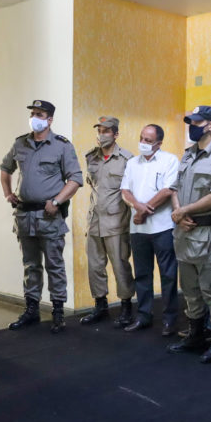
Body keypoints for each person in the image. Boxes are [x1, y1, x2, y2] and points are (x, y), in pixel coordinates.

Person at [0, 100, 83, 334]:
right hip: (24, 215)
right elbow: (5, 168)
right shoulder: (20, 143)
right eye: (33, 114)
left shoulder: (61, 145)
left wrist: (57, 201)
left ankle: (58, 312)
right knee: (30, 265)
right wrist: (8, 193)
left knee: (54, 265)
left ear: (50, 119)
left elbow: (75, 179)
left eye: (40, 114)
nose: (35, 118)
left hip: (49, 217)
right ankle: (31, 310)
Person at [167, 106, 211, 363]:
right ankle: (195, 335)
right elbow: (174, 188)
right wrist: (178, 212)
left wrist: (184, 210)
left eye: (196, 122)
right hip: (184, 233)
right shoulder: (188, 155)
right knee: (190, 290)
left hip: (209, 235)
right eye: (190, 122)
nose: (191, 126)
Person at [120, 123, 180, 335]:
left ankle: (170, 320)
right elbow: (125, 191)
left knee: (168, 275)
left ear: (159, 143)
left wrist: (143, 212)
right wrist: (137, 207)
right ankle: (143, 316)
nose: (143, 143)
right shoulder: (132, 163)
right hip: (138, 230)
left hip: (162, 227)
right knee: (142, 275)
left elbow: (168, 190)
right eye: (141, 138)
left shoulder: (170, 160)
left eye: (148, 140)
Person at [80, 117, 135, 327]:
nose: (101, 135)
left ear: (115, 134)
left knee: (120, 266)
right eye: (99, 131)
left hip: (116, 222)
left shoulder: (127, 159)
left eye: (106, 131)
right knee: (95, 267)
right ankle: (100, 306)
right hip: (94, 221)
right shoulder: (91, 157)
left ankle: (126, 307)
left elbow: (130, 191)